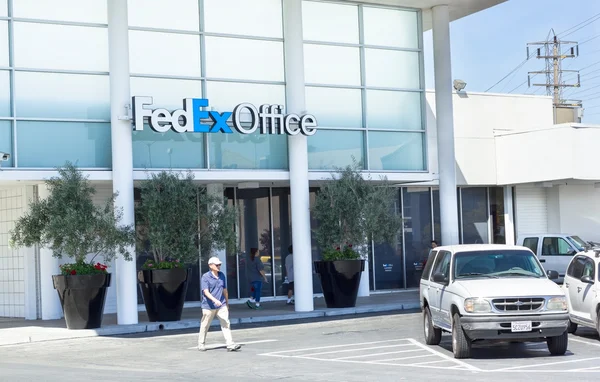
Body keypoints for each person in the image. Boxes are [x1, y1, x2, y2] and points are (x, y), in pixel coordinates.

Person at [198, 256, 241, 352]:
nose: (219, 266)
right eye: (217, 265)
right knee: (205, 325)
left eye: (219, 264)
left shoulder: (222, 275)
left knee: (226, 323)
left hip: (221, 304)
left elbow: (225, 290)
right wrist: (214, 300)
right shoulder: (205, 277)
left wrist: (226, 302)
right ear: (210, 265)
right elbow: (206, 292)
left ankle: (230, 344)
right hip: (208, 306)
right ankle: (201, 344)